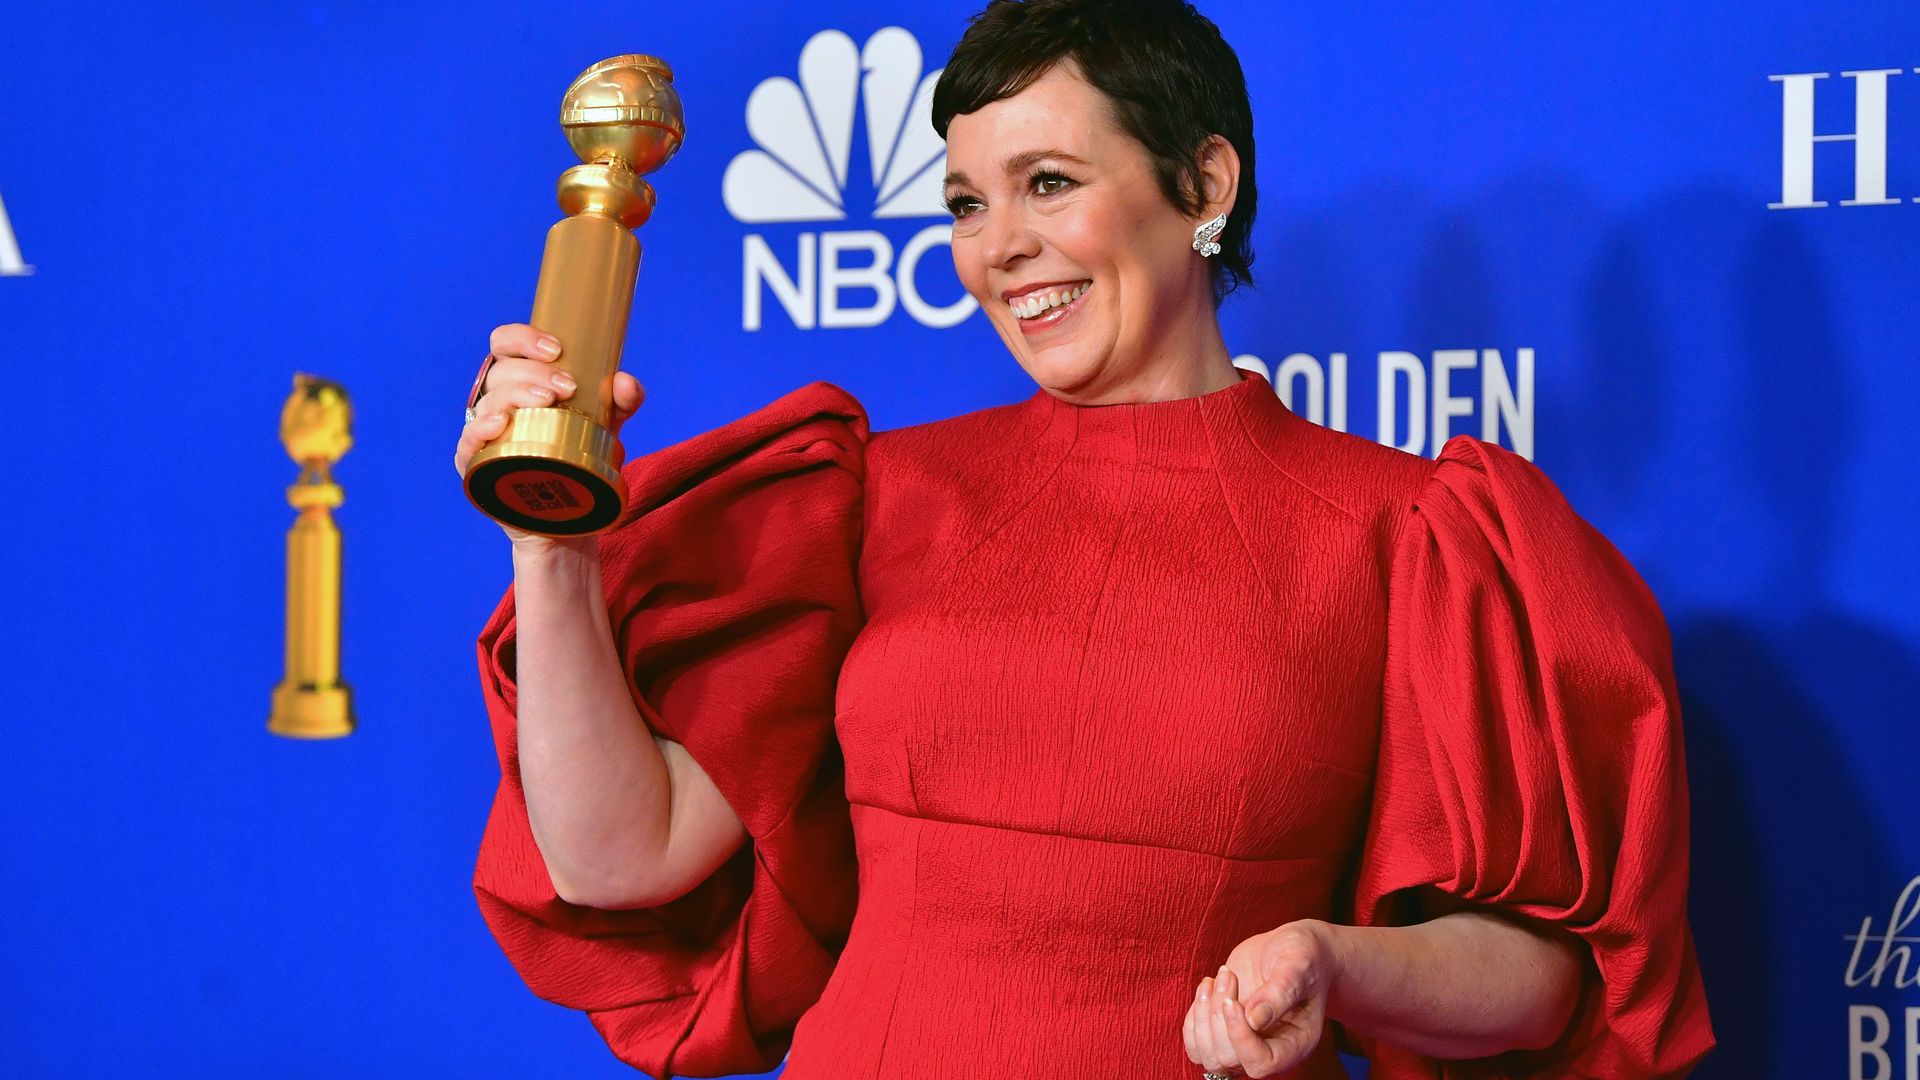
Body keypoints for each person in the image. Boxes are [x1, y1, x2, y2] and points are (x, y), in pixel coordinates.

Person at [453, 1, 1715, 1076]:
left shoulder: (1410, 532)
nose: (998, 247)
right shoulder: (878, 493)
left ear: (1202, 186)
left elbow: (1541, 983)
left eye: (1048, 183)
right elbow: (622, 855)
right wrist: (556, 545)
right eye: (964, 202)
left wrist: (1332, 961)